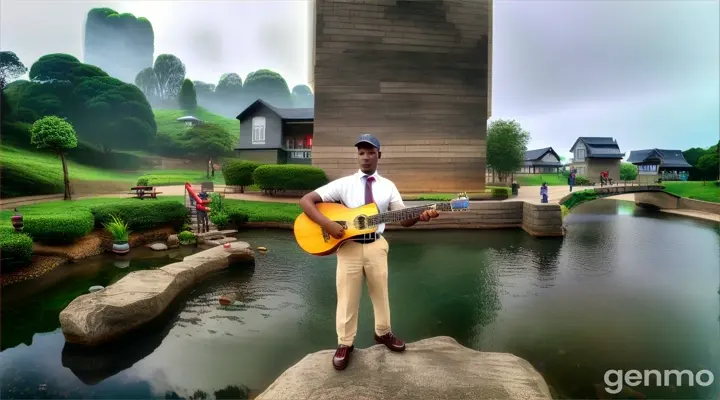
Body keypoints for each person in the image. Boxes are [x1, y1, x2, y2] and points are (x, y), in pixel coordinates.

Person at [299, 133, 440, 371]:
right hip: (349, 247)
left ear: (379, 155)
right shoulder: (344, 183)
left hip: (376, 245)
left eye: (370, 152)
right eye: (361, 153)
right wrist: (328, 224)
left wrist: (420, 216)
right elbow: (306, 201)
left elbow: (403, 219)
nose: (365, 158)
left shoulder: (388, 186)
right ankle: (345, 343)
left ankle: (383, 333)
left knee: (380, 292)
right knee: (347, 297)